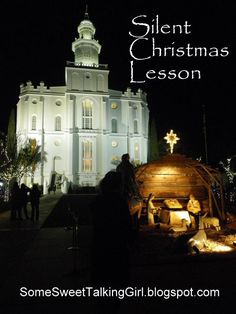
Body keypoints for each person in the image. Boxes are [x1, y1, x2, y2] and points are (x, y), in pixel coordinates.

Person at [90, 171, 132, 313]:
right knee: (116, 286)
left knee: (103, 285)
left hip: (100, 248)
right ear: (118, 185)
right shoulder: (120, 202)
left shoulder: (98, 202)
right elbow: (127, 226)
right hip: (117, 250)